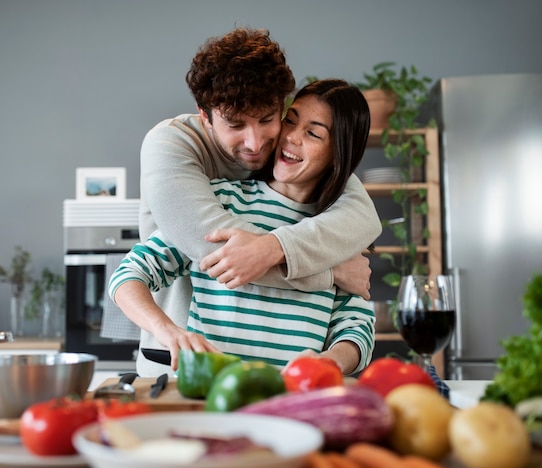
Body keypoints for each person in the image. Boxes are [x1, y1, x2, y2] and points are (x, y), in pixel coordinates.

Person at [133, 27, 381, 376]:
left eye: (267, 119)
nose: (254, 143)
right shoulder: (171, 145)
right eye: (235, 125)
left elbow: (361, 216)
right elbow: (223, 255)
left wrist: (276, 248)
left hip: (278, 377)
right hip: (177, 360)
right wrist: (329, 273)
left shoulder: (285, 151)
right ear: (205, 115)